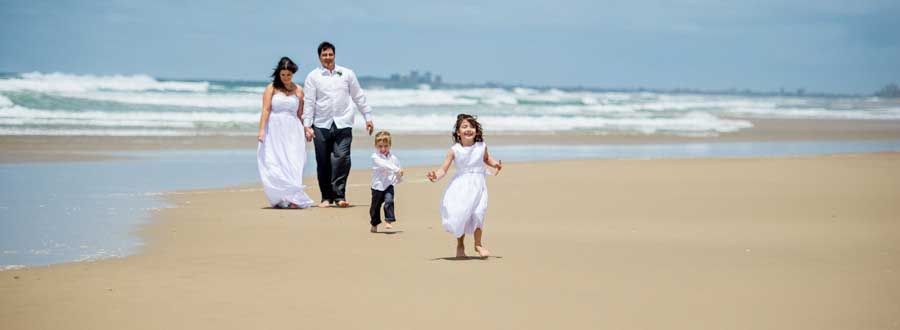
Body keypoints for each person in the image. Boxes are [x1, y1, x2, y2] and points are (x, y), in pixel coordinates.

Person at [302, 41, 374, 208]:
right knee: (323, 161)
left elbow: (358, 96)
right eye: (324, 55)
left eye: (330, 54)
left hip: (343, 121)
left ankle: (339, 195)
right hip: (320, 124)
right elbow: (309, 102)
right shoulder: (313, 77)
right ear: (319, 57)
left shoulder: (347, 73)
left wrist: (367, 117)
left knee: (342, 158)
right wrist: (307, 125)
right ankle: (326, 197)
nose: (327, 58)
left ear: (334, 55)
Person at [426, 114, 503, 258]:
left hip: (479, 185)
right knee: (463, 215)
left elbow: (486, 159)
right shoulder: (454, 150)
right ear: (458, 132)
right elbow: (443, 169)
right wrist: (435, 176)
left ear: (476, 131)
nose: (469, 129)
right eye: (464, 127)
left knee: (479, 213)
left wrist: (495, 164)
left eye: (472, 126)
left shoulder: (482, 146)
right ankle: (460, 245)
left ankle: (478, 244)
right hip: (461, 187)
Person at [256, 57, 314, 209]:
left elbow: (301, 114)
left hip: (293, 131)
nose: (286, 78)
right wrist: (261, 131)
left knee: (294, 162)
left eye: (288, 75)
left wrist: (307, 129)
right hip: (274, 130)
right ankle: (281, 197)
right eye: (283, 75)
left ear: (292, 74)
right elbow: (266, 110)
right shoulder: (271, 88)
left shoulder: (299, 90)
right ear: (278, 74)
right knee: (276, 162)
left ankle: (294, 198)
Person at [369, 131, 403, 233]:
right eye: (380, 146)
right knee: (375, 208)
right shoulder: (375, 157)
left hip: (388, 185)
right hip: (377, 186)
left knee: (389, 201)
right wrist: (396, 170)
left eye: (386, 146)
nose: (383, 149)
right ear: (376, 146)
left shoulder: (394, 158)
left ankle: (389, 220)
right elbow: (384, 165)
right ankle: (374, 223)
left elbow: (398, 169)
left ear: (390, 146)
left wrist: (399, 176)